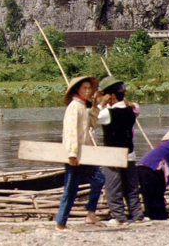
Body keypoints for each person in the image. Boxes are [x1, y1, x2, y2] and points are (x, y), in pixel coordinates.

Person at [55, 76, 105, 232]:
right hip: (75, 154)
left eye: (90, 88)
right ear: (77, 90)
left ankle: (90, 214)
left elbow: (91, 123)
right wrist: (72, 154)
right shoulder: (74, 107)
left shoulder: (83, 106)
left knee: (99, 179)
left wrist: (96, 104)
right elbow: (70, 132)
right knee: (71, 188)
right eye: (85, 88)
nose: (88, 91)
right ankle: (61, 223)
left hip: (84, 155)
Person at [96, 76, 145, 225]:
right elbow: (136, 107)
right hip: (129, 154)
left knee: (113, 188)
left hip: (112, 156)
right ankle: (137, 216)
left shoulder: (106, 114)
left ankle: (119, 217)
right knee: (131, 187)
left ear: (110, 96)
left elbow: (91, 118)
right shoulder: (131, 111)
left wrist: (100, 104)